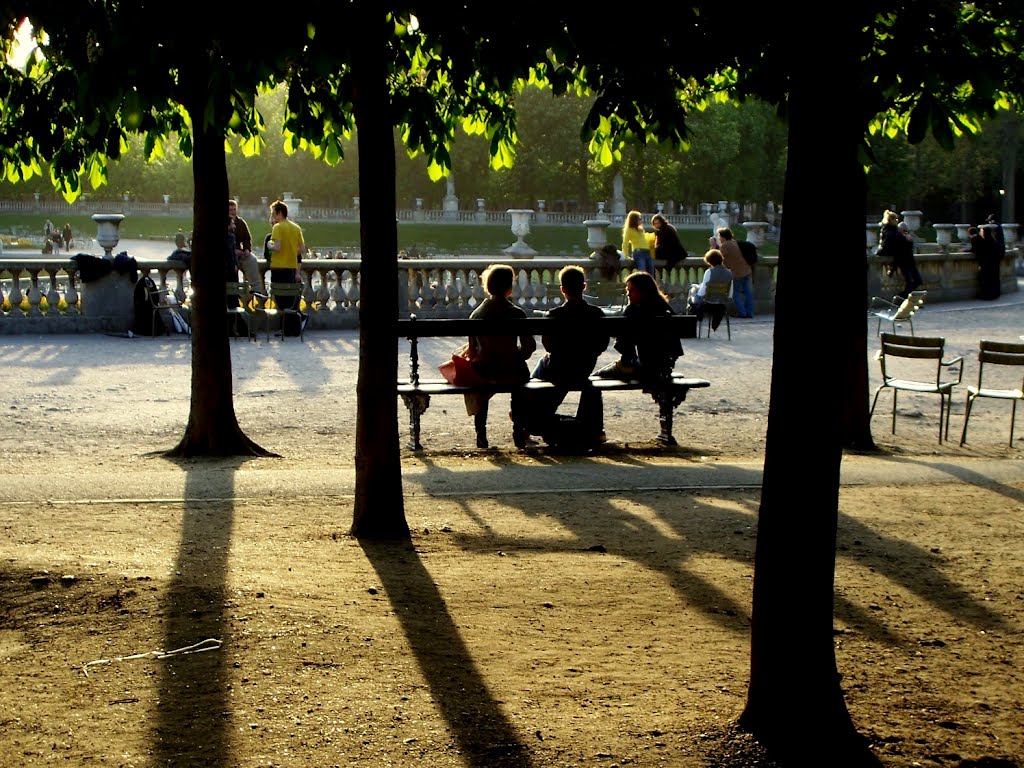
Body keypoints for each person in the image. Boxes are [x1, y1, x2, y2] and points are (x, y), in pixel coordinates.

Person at [527, 265, 609, 447]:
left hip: (559, 369)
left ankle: (527, 410)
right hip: (584, 368)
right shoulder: (597, 314)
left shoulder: (554, 315)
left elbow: (548, 345)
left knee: (545, 362)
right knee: (553, 365)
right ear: (584, 287)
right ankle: (596, 431)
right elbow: (602, 344)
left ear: (562, 289)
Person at [464, 264, 537, 449]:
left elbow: (473, 349)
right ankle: (519, 431)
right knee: (521, 381)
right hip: (511, 369)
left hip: (485, 371)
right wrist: (516, 356)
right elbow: (529, 347)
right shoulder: (516, 313)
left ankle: (481, 434)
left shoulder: (476, 314)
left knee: (480, 384)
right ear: (509, 287)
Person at [598, 270, 683, 387]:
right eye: (628, 291)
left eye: (631, 290)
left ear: (643, 291)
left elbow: (623, 345)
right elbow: (675, 345)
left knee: (599, 374)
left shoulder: (632, 310)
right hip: (664, 366)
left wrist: (630, 359)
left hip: (639, 367)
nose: (628, 294)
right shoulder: (664, 307)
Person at [266, 199, 308, 335]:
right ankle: (290, 329)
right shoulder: (296, 228)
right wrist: (290, 252)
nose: (273, 216)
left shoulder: (277, 227)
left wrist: (269, 245)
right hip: (291, 267)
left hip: (278, 267)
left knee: (281, 300)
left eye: (273, 213)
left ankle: (286, 329)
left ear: (279, 213)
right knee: (289, 300)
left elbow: (277, 247)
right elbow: (302, 248)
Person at [877, 212, 922, 299]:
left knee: (917, 280)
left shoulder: (895, 231)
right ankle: (904, 298)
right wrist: (905, 238)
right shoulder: (888, 231)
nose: (897, 220)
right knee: (911, 281)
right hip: (902, 259)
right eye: (896, 219)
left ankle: (903, 296)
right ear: (891, 220)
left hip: (908, 259)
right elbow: (889, 246)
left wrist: (907, 239)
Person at [686, 249, 733, 329]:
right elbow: (730, 293)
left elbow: (702, 292)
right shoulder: (729, 273)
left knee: (692, 293)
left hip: (708, 303)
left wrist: (696, 288)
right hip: (721, 303)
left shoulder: (709, 272)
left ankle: (690, 322)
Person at [717, 226, 753, 318]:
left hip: (737, 272)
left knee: (736, 294)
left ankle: (742, 313)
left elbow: (718, 259)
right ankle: (749, 312)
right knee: (748, 292)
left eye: (719, 236)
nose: (719, 238)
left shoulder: (725, 245)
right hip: (747, 270)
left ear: (723, 237)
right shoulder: (734, 243)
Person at [229, 198, 264, 293]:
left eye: (234, 209)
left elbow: (247, 238)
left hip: (240, 253)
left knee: (252, 259)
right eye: (230, 210)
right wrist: (233, 251)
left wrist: (247, 249)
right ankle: (233, 291)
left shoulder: (241, 223)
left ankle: (256, 289)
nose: (233, 212)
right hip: (228, 255)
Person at [621, 210, 653, 275]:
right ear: (634, 220)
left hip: (647, 251)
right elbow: (625, 243)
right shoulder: (629, 230)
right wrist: (626, 256)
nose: (641, 220)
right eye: (639, 219)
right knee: (642, 272)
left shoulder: (640, 229)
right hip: (639, 252)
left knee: (651, 272)